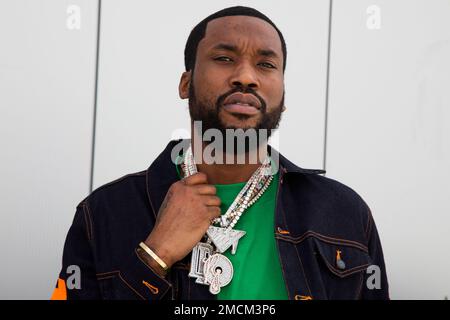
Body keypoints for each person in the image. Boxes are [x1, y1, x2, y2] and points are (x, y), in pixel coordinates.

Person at [51, 6, 389, 300]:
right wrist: (156, 254)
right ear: (186, 84)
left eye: (266, 64)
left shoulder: (344, 213)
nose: (246, 77)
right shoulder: (104, 213)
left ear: (283, 95)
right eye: (224, 58)